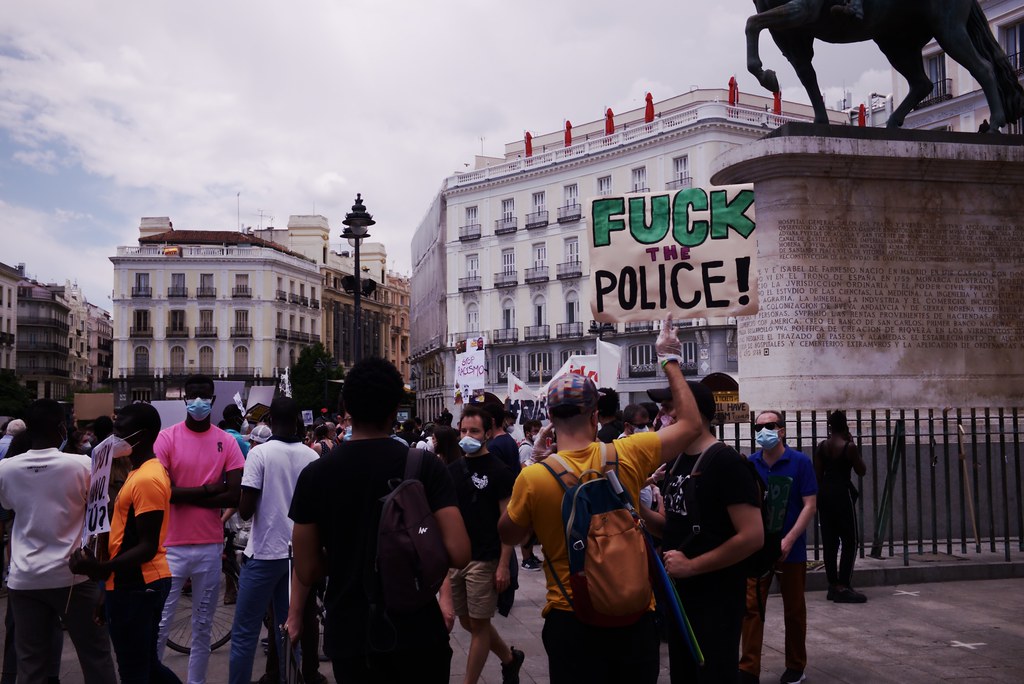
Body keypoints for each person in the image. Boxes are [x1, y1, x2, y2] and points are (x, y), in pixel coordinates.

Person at [497, 316, 704, 684]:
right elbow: (690, 425)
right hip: (634, 619)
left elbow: (509, 535)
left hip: (571, 619)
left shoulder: (532, 477)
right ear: (595, 417)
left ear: (549, 419)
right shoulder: (628, 454)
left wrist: (533, 462)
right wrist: (669, 358)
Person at [285, 357, 471, 683]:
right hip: (418, 631)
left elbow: (307, 569)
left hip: (350, 635)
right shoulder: (425, 466)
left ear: (346, 408)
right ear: (394, 408)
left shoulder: (316, 474)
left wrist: (346, 552)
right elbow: (459, 552)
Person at [641, 383, 764, 683]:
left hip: (716, 600)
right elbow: (672, 527)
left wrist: (692, 566)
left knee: (713, 673)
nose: (662, 415)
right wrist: (637, 508)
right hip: (680, 598)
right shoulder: (677, 461)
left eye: (670, 406)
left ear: (693, 412)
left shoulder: (725, 462)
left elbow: (752, 536)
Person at [0, 399, 117, 684]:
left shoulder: (6, 469)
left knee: (31, 664)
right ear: (62, 428)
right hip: (74, 576)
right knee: (96, 656)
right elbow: (102, 515)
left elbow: (9, 508)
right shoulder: (81, 465)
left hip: (25, 578)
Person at [69, 403, 182, 684]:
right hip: (127, 585)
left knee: (134, 671)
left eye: (120, 430)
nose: (112, 437)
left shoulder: (147, 478)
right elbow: (124, 537)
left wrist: (100, 569)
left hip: (138, 585)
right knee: (146, 666)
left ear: (140, 436)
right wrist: (106, 589)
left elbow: (146, 545)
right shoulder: (139, 472)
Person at [155, 374, 245, 684]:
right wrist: (209, 490)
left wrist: (185, 493)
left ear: (213, 399)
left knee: (203, 626)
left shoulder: (227, 441)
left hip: (209, 546)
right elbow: (163, 492)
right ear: (184, 398)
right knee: (160, 625)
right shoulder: (166, 439)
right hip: (171, 547)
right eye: (193, 395)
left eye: (204, 396)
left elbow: (234, 494)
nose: (198, 402)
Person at [228, 397, 322, 684]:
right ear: (298, 421)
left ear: (268, 421)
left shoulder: (259, 454)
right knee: (288, 629)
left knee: (244, 632)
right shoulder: (312, 456)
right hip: (297, 557)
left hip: (265, 553)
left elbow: (245, 509)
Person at [740, 411, 819, 684]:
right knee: (752, 608)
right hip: (758, 550)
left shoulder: (799, 462)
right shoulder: (750, 464)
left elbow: (810, 505)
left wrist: (790, 539)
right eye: (758, 427)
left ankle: (796, 665)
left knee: (794, 609)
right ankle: (748, 668)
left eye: (770, 426)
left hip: (790, 548)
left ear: (781, 430)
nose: (763, 431)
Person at [449, 405, 524, 684]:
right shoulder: (454, 469)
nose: (467, 435)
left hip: (486, 557)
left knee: (479, 624)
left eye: (474, 431)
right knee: (468, 621)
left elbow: (507, 523)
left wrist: (504, 564)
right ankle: (509, 658)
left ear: (488, 432)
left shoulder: (500, 471)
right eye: (464, 430)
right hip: (458, 558)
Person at [814, 410, 868, 604]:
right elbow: (861, 470)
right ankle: (843, 585)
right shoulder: (849, 447)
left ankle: (832, 585)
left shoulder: (822, 447)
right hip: (842, 493)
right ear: (845, 426)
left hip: (825, 494)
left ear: (829, 426)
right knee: (850, 540)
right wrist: (854, 445)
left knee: (830, 542)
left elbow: (817, 475)